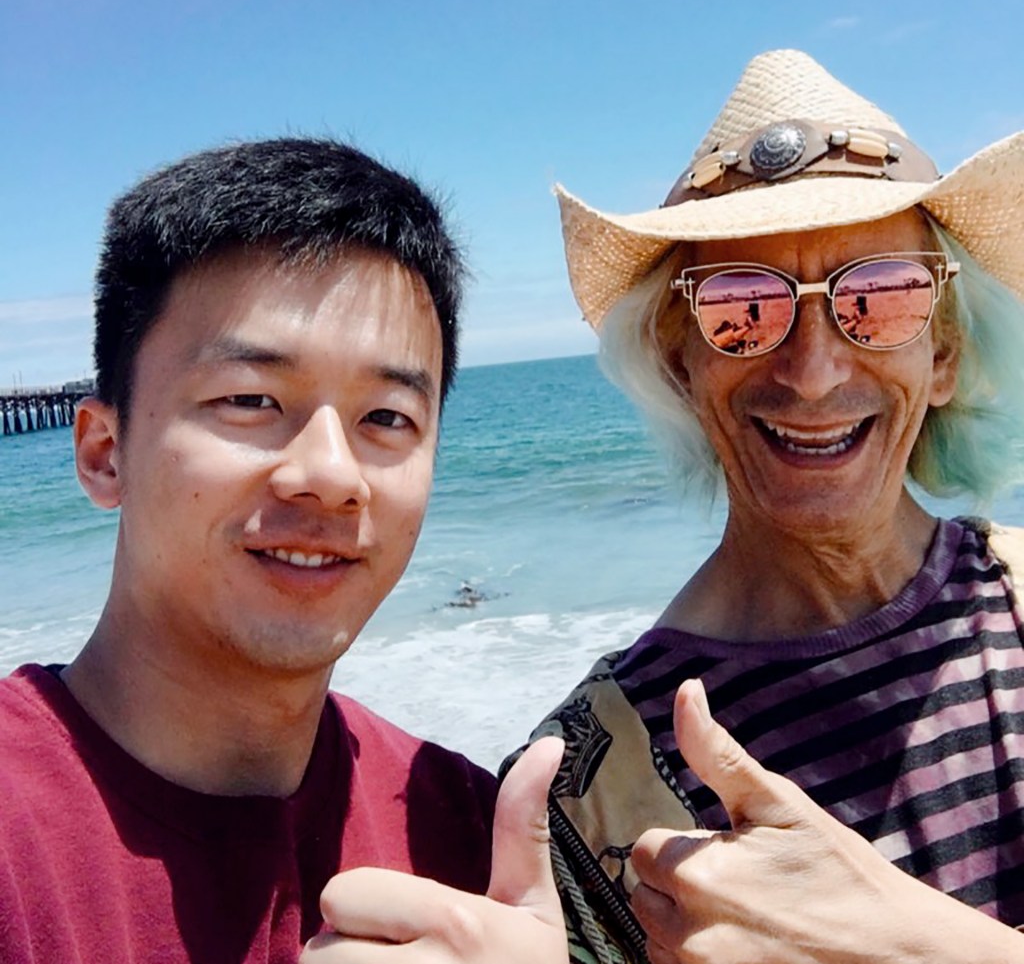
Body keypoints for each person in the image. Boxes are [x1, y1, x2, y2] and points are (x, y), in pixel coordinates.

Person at [510, 50, 1024, 964]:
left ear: (942, 353)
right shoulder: (582, 795)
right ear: (683, 364)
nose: (814, 372)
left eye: (881, 296)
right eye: (742, 308)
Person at [0, 139, 568, 964]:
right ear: (103, 450)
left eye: (387, 419)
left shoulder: (467, 840)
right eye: (250, 400)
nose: (332, 476)